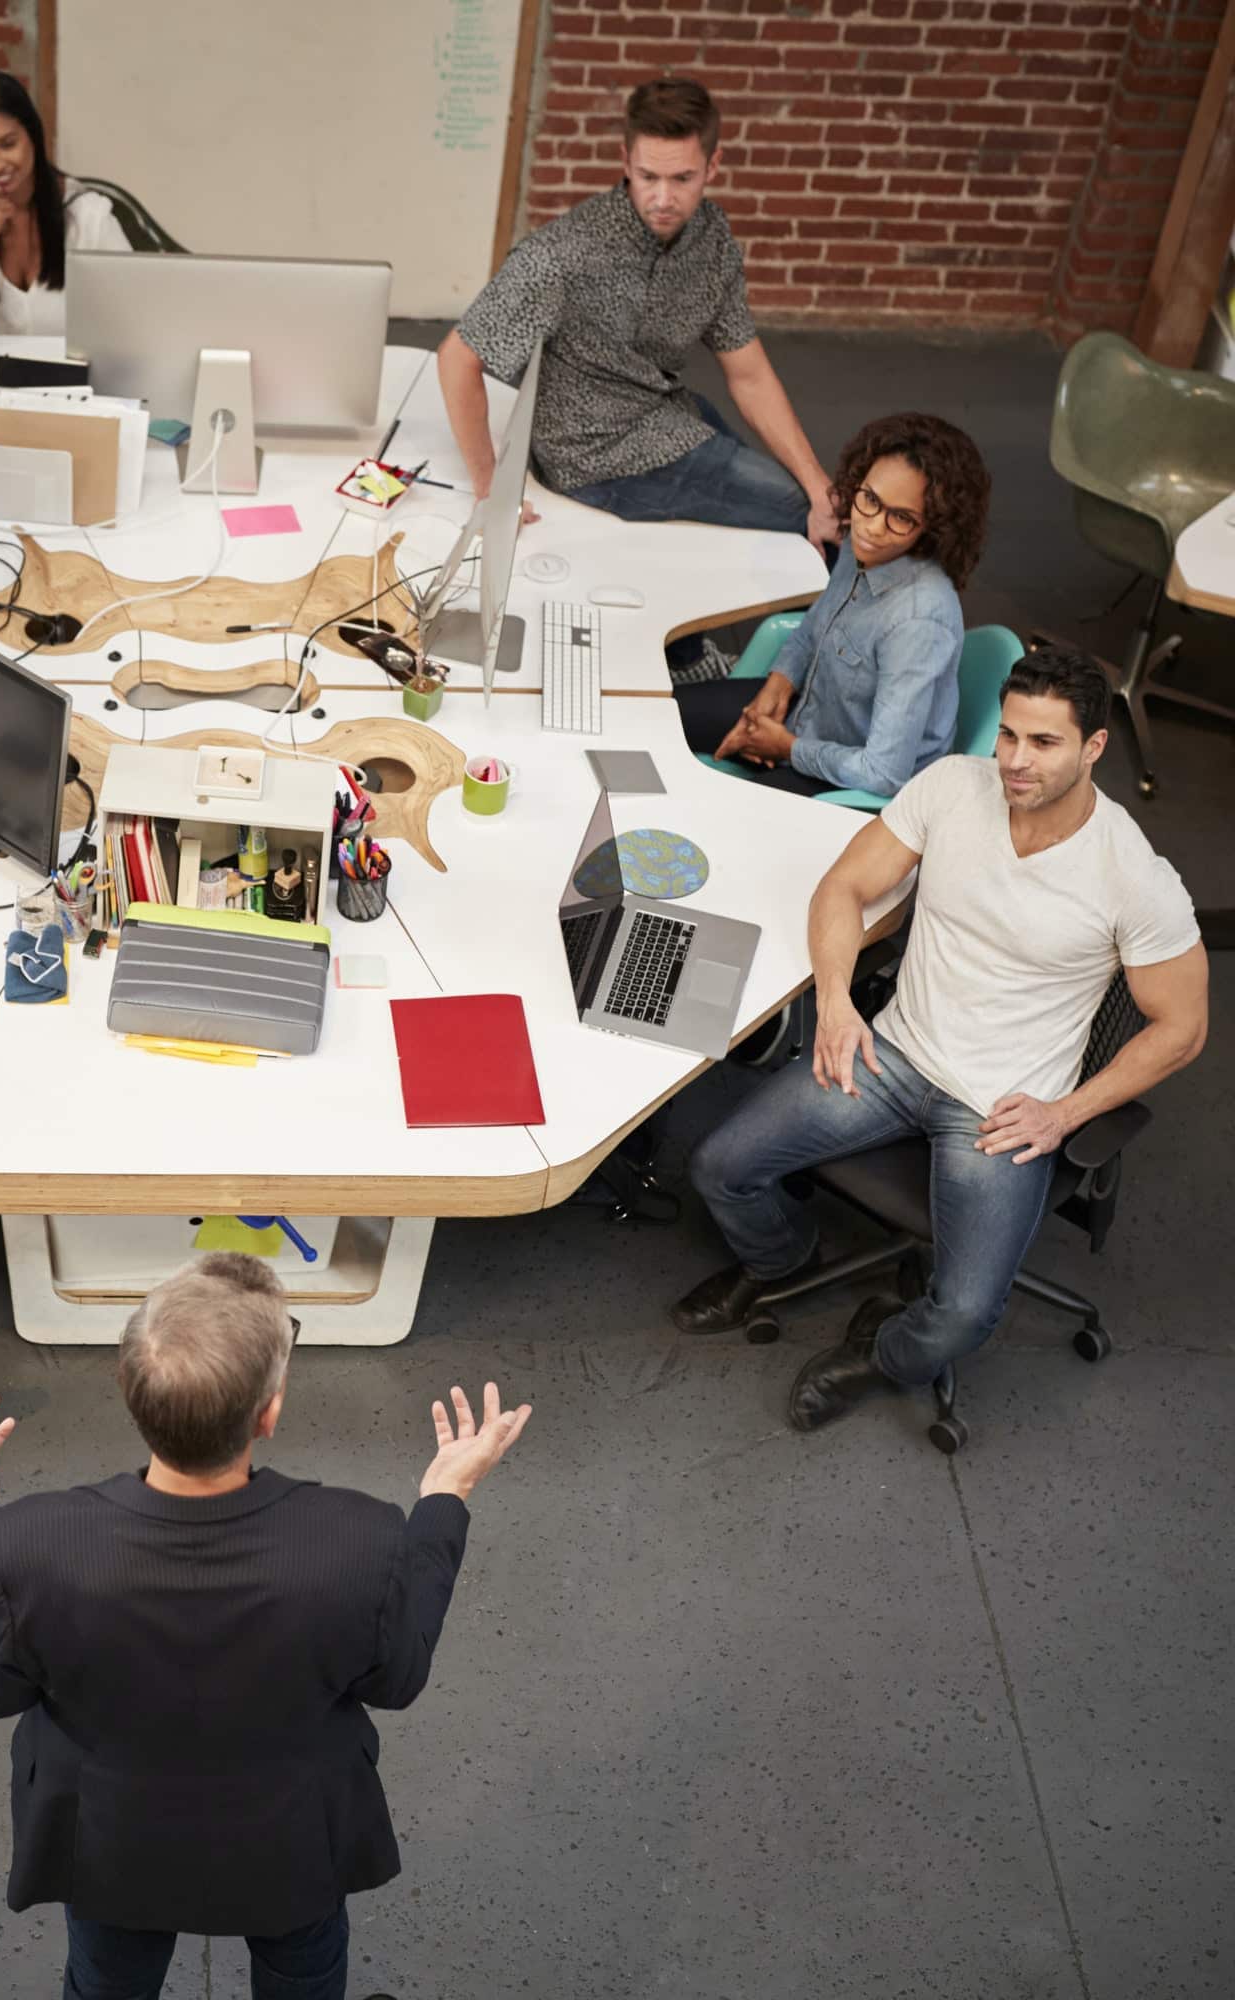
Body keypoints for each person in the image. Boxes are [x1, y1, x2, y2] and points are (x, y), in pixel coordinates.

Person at [0, 1252, 531, 2000]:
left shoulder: (29, 1541)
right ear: (268, 1412)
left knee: (107, 1983)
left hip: (113, 1847)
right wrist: (444, 1499)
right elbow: (395, 1681)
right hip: (291, 1844)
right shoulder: (359, 1539)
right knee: (303, 1976)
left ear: (129, 1393)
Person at [672, 646, 1208, 1431]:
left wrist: (1065, 1114)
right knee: (718, 1166)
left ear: (1094, 747)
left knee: (963, 1317)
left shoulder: (1133, 875)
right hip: (892, 1054)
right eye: (1011, 736)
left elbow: (1184, 1028)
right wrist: (835, 1003)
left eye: (1045, 744)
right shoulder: (955, 786)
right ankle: (783, 1262)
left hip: (1000, 1111)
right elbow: (844, 886)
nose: (1016, 762)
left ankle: (881, 1350)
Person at [439, 77, 836, 554]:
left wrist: (820, 487)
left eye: (682, 179)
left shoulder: (712, 243)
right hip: (598, 455)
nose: (663, 198)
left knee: (819, 504)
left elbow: (749, 375)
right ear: (626, 162)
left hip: (665, 410)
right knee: (806, 517)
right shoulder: (564, 253)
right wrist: (491, 491)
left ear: (713, 164)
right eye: (648, 177)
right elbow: (457, 359)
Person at [676, 413, 991, 798]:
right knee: (657, 716)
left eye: (902, 518)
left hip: (856, 776)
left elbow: (885, 773)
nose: (873, 526)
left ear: (934, 526)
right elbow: (813, 630)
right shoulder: (860, 546)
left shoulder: (919, 621)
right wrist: (777, 686)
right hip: (810, 713)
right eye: (871, 499)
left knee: (727, 814)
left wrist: (786, 748)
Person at [0, 70, 131, 352]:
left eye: (8, 144)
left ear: (33, 136)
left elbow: (134, 321)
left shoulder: (87, 215)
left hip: (74, 386)